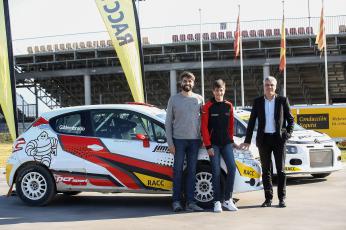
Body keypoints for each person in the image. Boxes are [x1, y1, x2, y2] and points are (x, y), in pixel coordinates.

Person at [239, 76, 294, 208]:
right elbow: (251, 122)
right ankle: (268, 199)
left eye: (271, 85)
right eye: (267, 85)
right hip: (263, 140)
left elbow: (291, 120)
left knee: (281, 170)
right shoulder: (257, 102)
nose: (269, 87)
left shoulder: (282, 100)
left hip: (278, 139)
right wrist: (247, 140)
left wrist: (287, 134)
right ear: (263, 87)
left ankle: (282, 198)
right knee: (266, 171)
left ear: (275, 87)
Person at [165, 71, 204, 212]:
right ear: (181, 83)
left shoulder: (199, 99)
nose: (187, 83)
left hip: (195, 141)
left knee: (192, 172)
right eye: (185, 81)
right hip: (178, 141)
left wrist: (204, 139)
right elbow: (168, 122)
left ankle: (191, 202)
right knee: (178, 172)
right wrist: (170, 143)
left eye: (190, 81)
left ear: (193, 83)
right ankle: (176, 201)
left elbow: (203, 122)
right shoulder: (173, 99)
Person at [201, 79, 238, 213]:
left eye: (221, 90)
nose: (219, 92)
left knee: (232, 169)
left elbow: (231, 125)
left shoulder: (229, 105)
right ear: (213, 91)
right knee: (216, 172)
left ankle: (227, 200)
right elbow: (204, 128)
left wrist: (231, 139)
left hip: (226, 144)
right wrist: (208, 145)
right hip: (214, 144)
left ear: (224, 90)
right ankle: (217, 201)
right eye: (216, 90)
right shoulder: (207, 106)